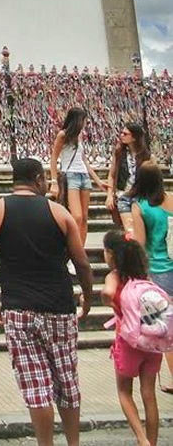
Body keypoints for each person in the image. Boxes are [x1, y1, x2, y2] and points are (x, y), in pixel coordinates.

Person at [0, 158, 93, 446]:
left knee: (36, 385)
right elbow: (82, 262)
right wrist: (88, 298)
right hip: (59, 305)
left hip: (18, 306)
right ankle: (73, 442)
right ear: (39, 179)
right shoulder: (59, 212)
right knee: (67, 378)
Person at [102, 228, 160, 446]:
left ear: (111, 253)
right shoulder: (145, 277)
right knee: (149, 394)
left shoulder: (114, 276)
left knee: (125, 391)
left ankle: (142, 440)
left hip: (127, 341)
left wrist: (105, 299)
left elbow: (108, 293)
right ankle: (152, 442)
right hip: (152, 341)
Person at [130, 161, 173, 390]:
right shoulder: (172, 199)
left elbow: (141, 243)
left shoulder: (141, 206)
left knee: (164, 326)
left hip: (157, 270)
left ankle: (165, 377)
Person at [49, 106, 107, 248]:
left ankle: (80, 250)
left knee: (85, 217)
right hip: (71, 175)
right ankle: (72, 250)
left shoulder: (79, 136)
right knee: (77, 216)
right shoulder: (63, 135)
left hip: (84, 176)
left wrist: (97, 180)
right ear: (77, 120)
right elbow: (54, 158)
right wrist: (54, 181)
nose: (85, 123)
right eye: (83, 120)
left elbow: (84, 160)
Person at [106, 122, 151, 233]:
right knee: (129, 229)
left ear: (134, 137)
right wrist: (109, 195)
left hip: (141, 196)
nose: (121, 135)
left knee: (141, 229)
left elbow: (153, 178)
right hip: (123, 195)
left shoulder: (146, 156)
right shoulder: (119, 153)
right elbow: (112, 175)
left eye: (125, 134)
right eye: (121, 133)